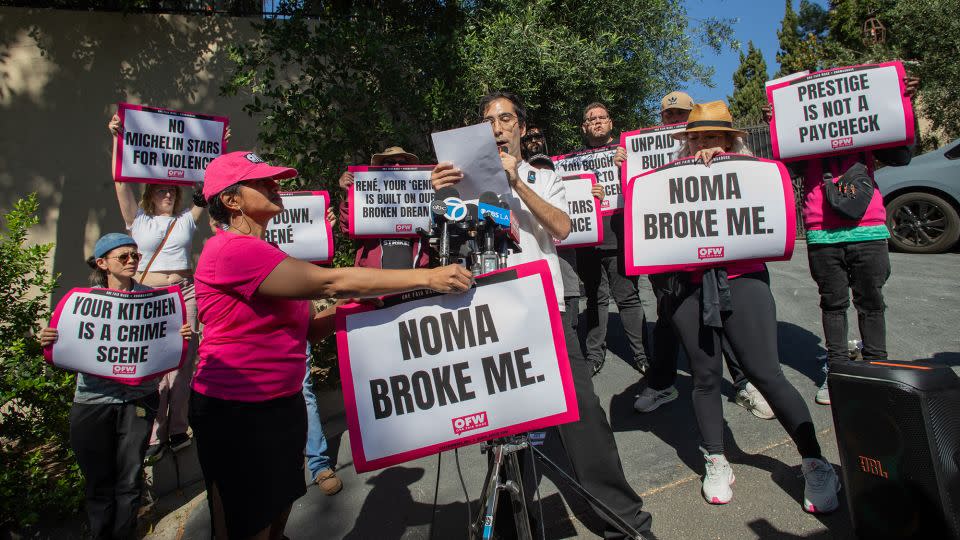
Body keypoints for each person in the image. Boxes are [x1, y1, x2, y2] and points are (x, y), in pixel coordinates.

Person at [188, 150, 472, 540]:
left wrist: (361, 310)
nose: (276, 185)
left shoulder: (268, 251)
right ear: (231, 200)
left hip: (280, 402)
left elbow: (304, 331)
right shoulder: (233, 250)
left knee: (278, 510)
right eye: (262, 182)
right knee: (248, 523)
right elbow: (330, 282)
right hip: (238, 410)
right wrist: (428, 278)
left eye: (275, 179)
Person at [432, 92, 653, 537]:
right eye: (488, 121)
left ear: (519, 127)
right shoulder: (463, 183)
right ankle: (512, 523)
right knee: (506, 429)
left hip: (545, 310)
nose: (497, 127)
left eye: (506, 118)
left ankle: (626, 523)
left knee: (583, 417)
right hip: (488, 318)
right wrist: (441, 197)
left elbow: (562, 227)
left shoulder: (541, 175)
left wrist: (518, 185)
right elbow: (443, 248)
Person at [667, 101, 839, 511]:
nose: (702, 144)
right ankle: (716, 458)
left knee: (766, 373)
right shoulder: (671, 178)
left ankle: (815, 462)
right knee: (705, 377)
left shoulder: (751, 170)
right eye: (695, 137)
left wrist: (725, 164)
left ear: (729, 139)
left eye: (711, 136)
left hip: (743, 282)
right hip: (688, 289)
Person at [762, 75, 919, 405]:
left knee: (871, 302)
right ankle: (838, 374)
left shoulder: (868, 127)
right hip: (821, 231)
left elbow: (902, 155)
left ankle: (878, 369)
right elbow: (788, 170)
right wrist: (778, 126)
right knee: (833, 304)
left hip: (869, 227)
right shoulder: (802, 133)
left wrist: (906, 106)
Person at [621, 92, 773, 420]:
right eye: (667, 115)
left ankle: (746, 381)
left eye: (680, 115)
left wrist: (723, 160)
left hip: (722, 260)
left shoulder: (733, 156)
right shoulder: (649, 149)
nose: (672, 119)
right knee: (668, 316)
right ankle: (662, 383)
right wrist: (624, 166)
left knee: (724, 313)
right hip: (671, 253)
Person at [39, 233, 192, 539]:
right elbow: (67, 345)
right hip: (93, 401)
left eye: (135, 255)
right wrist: (49, 341)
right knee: (99, 482)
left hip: (138, 401)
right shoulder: (86, 303)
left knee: (129, 480)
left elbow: (165, 343)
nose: (132, 260)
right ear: (102, 263)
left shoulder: (154, 300)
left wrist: (180, 335)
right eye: (123, 256)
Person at [108, 114, 203, 460]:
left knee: (182, 362)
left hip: (184, 294)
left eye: (171, 189)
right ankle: (153, 434)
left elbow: (205, 189)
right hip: (148, 296)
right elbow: (121, 181)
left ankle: (178, 429)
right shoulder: (138, 220)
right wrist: (118, 139)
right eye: (161, 188)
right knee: (153, 367)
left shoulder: (186, 220)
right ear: (150, 192)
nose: (167, 192)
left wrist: (214, 144)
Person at [573, 102, 651, 375]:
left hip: (619, 237)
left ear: (611, 123)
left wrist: (624, 167)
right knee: (595, 299)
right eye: (590, 118)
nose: (596, 122)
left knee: (628, 297)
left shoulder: (627, 154)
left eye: (601, 117)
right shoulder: (573, 162)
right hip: (587, 241)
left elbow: (645, 187)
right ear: (584, 127)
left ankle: (643, 355)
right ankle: (594, 355)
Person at [522, 127, 605, 360]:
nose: (534, 141)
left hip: (565, 272)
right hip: (537, 271)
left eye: (539, 136)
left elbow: (564, 225)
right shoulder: (517, 181)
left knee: (568, 327)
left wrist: (594, 198)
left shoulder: (559, 181)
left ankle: (583, 357)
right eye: (529, 138)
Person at [337, 146, 431, 269]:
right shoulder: (367, 196)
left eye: (402, 163)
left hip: (414, 280)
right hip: (374, 282)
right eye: (391, 162)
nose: (397, 166)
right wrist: (350, 193)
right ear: (380, 167)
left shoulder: (421, 195)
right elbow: (348, 228)